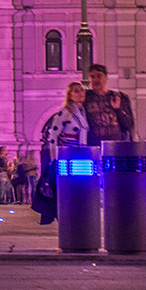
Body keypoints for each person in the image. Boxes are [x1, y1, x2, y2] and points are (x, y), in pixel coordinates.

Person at [36, 81, 89, 225]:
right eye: (76, 91)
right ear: (70, 95)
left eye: (81, 90)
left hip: (81, 155)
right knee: (67, 188)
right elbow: (53, 136)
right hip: (68, 155)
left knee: (79, 188)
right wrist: (55, 158)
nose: (80, 93)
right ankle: (66, 218)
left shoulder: (83, 112)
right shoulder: (64, 112)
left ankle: (76, 217)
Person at [83, 63, 135, 144]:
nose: (95, 80)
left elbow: (129, 125)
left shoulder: (118, 97)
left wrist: (118, 109)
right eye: (92, 77)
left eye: (99, 76)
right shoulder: (85, 98)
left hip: (116, 146)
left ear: (106, 78)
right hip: (94, 146)